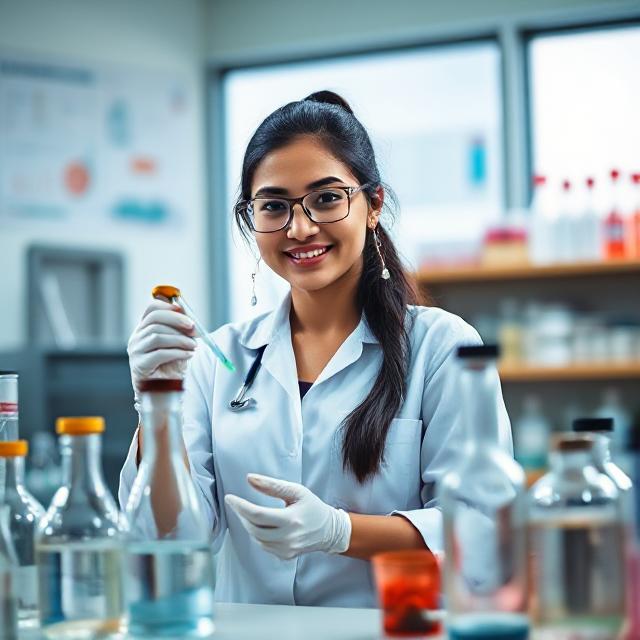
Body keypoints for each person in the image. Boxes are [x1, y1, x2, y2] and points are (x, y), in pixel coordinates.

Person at [119, 90, 512, 607]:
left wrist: (339, 532)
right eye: (274, 207)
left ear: (372, 206)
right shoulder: (221, 358)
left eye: (327, 198)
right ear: (250, 220)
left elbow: (481, 531)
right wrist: (157, 402)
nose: (299, 227)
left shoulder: (442, 346)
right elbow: (170, 540)